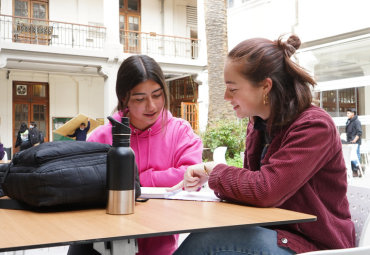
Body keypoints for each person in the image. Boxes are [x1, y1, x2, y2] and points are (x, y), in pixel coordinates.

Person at [169, 35, 355, 255]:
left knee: (209, 241)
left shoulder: (314, 126)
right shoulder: (259, 124)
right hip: (274, 232)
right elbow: (254, 192)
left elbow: (265, 190)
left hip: (314, 245)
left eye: (233, 88)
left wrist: (212, 170)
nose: (226, 96)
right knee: (208, 233)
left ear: (265, 86)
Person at [67, 55, 203, 255]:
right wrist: (160, 178)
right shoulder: (101, 137)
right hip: (106, 245)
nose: (152, 106)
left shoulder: (180, 132)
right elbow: (85, 185)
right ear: (124, 99)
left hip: (160, 248)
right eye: (140, 99)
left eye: (157, 95)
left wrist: (136, 181)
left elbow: (190, 177)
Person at [346, 108, 363, 177]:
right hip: (350, 141)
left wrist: (354, 140)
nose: (347, 115)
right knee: (350, 156)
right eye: (347, 113)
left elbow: (359, 132)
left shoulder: (356, 121)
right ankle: (355, 171)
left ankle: (359, 167)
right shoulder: (349, 121)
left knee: (355, 156)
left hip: (355, 142)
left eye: (348, 113)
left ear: (353, 113)